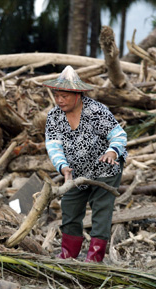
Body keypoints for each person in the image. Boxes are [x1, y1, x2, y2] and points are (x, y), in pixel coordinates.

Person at [43, 65, 127, 262]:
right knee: (70, 207)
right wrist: (63, 167)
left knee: (101, 210)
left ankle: (94, 258)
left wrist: (112, 152)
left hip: (105, 169)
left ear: (77, 94)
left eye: (64, 96)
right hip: (75, 173)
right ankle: (68, 254)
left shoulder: (96, 111)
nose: (59, 100)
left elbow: (119, 135)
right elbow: (53, 146)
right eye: (57, 95)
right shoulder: (54, 117)